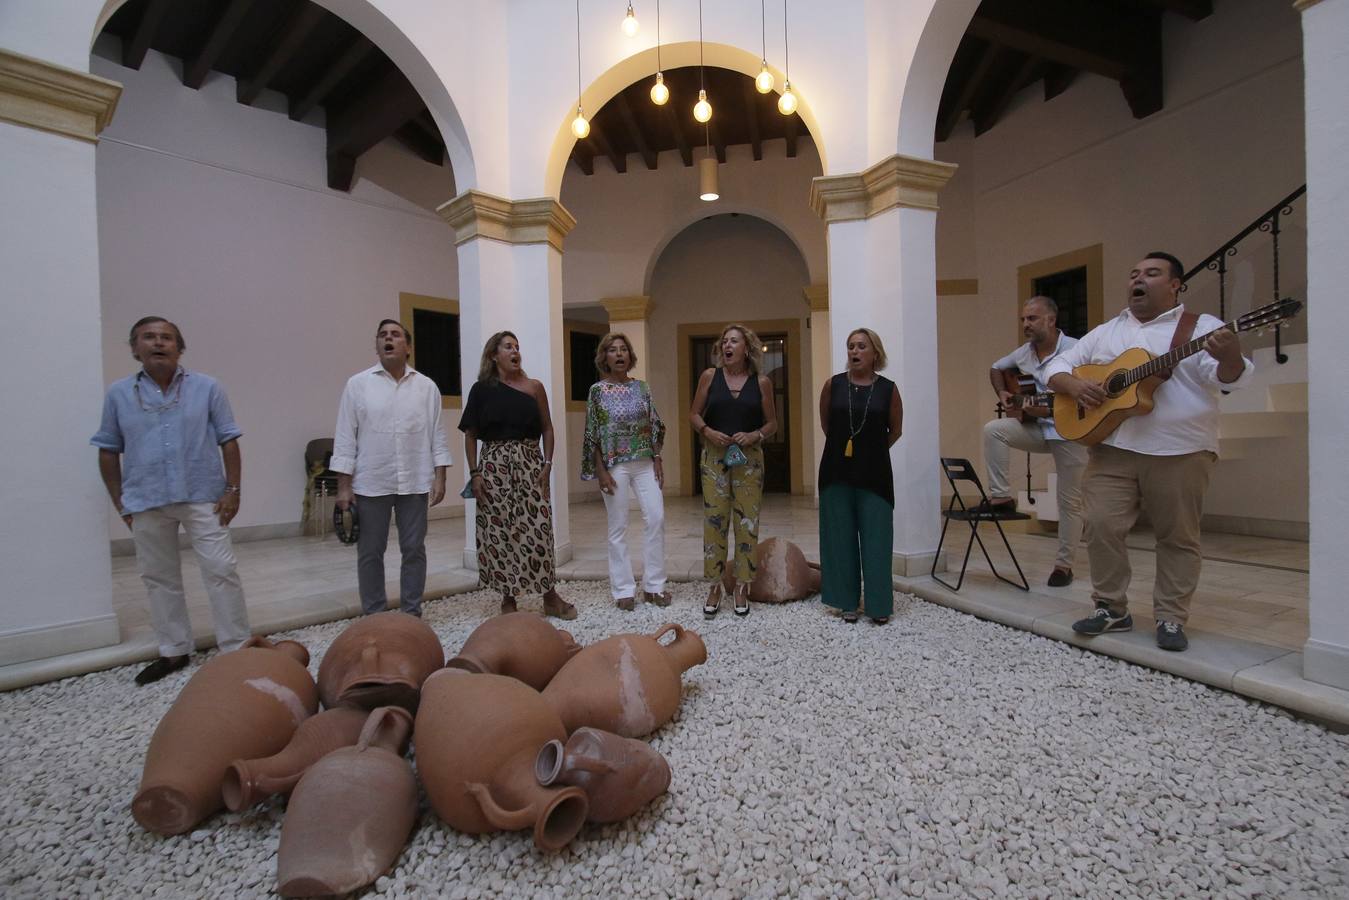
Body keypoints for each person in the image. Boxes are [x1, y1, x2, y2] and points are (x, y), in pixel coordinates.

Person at [1046, 252, 1253, 652]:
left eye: (1151, 273)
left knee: (1177, 536)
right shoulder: (1107, 332)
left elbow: (1229, 378)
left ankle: (1171, 617)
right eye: (1134, 273)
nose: (1138, 279)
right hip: (1112, 448)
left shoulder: (1201, 328)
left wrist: (1229, 355)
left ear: (1175, 285)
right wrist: (1073, 387)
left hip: (1181, 449)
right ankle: (1111, 608)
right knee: (1102, 526)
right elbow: (1058, 366)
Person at [92, 317, 252, 685]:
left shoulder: (208, 388)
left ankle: (237, 647)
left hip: (203, 495)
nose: (158, 343)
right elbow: (107, 450)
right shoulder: (119, 394)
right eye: (149, 337)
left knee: (220, 570)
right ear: (135, 349)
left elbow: (229, 439)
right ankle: (174, 649)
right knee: (159, 577)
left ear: (180, 348)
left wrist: (233, 490)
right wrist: (121, 503)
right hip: (145, 498)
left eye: (167, 338)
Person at [330, 319, 452, 619]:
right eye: (383, 335)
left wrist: (440, 476)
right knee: (370, 552)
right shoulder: (357, 385)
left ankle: (412, 613)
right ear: (377, 345)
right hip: (371, 481)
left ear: (407, 346)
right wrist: (344, 486)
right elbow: (345, 437)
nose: (389, 339)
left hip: (414, 481)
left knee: (414, 549)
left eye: (395, 335)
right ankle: (375, 616)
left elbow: (437, 434)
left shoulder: (426, 387)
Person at [460, 331, 576, 619]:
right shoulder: (481, 390)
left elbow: (547, 428)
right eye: (508, 347)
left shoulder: (534, 387)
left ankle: (549, 595)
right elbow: (471, 434)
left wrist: (547, 464)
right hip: (493, 466)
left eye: (517, 347)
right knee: (499, 531)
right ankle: (507, 598)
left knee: (538, 528)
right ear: (493, 355)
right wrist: (475, 473)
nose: (515, 351)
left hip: (529, 463)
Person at [979, 296, 1089, 587]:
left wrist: (1047, 404)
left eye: (1032, 319)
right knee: (994, 429)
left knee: (1069, 503)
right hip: (1039, 428)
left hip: (1071, 433)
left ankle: (1064, 566)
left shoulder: (1078, 349)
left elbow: (1089, 388)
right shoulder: (1024, 353)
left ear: (1051, 320)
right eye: (1023, 319)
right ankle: (1001, 497)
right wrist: (1004, 394)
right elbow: (995, 368)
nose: (1026, 324)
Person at [689, 323, 778, 618]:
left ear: (747, 349)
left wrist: (756, 435)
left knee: (746, 523)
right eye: (724, 341)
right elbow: (693, 413)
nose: (727, 346)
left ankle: (742, 584)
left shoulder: (761, 382)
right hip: (714, 457)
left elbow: (772, 423)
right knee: (714, 521)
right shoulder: (709, 377)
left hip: (749, 460)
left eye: (734, 341)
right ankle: (714, 584)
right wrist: (708, 431)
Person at [818, 328, 903, 624]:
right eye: (851, 346)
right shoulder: (834, 385)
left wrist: (871, 450)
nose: (854, 352)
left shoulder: (888, 389)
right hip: (836, 472)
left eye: (861, 346)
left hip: (875, 474)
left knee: (877, 540)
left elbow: (896, 430)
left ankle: (879, 606)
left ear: (875, 353)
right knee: (839, 538)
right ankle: (846, 602)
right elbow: (827, 424)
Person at [581, 333, 670, 611]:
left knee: (656, 517)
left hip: (644, 462)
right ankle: (623, 590)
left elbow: (653, 424)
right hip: (614, 464)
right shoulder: (597, 391)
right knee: (618, 526)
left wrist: (657, 458)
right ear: (604, 357)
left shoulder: (642, 388)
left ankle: (654, 587)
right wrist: (600, 470)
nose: (619, 354)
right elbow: (592, 434)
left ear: (630, 356)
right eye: (612, 350)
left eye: (623, 350)